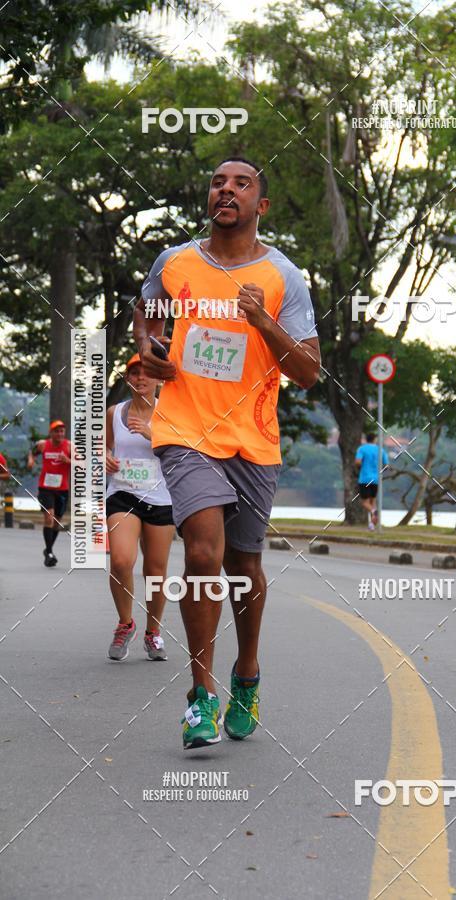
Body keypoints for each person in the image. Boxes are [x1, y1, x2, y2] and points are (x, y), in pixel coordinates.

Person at [133, 156, 320, 749]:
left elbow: (310, 371)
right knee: (204, 551)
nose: (227, 190)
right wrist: (150, 350)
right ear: (208, 196)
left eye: (242, 184)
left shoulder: (283, 277)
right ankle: (200, 696)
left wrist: (264, 322)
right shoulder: (176, 263)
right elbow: (146, 315)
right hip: (186, 431)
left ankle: (247, 674)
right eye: (218, 182)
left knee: (244, 565)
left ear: (259, 206)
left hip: (253, 438)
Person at [106, 353, 175, 662]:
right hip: (122, 494)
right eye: (134, 373)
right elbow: (103, 448)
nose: (140, 378)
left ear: (159, 378)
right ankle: (125, 623)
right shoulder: (114, 412)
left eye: (147, 373)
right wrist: (104, 459)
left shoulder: (172, 413)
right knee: (121, 561)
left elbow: (187, 451)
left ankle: (153, 632)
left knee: (155, 570)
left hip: (161, 498)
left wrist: (154, 434)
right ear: (128, 378)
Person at [27, 420, 71, 567]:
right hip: (45, 488)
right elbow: (32, 453)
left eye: (61, 431)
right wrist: (31, 460)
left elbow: (83, 464)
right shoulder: (43, 444)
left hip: (62, 489)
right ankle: (50, 552)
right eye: (56, 431)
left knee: (57, 522)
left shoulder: (70, 446)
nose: (59, 434)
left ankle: (48, 550)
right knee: (49, 517)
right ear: (51, 433)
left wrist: (69, 460)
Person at [355, 433, 389, 530]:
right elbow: (386, 465)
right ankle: (372, 525)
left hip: (364, 478)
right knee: (372, 502)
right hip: (376, 479)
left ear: (366, 439)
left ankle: (374, 512)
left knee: (365, 502)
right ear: (375, 439)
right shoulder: (381, 450)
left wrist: (360, 467)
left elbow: (357, 461)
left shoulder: (362, 449)